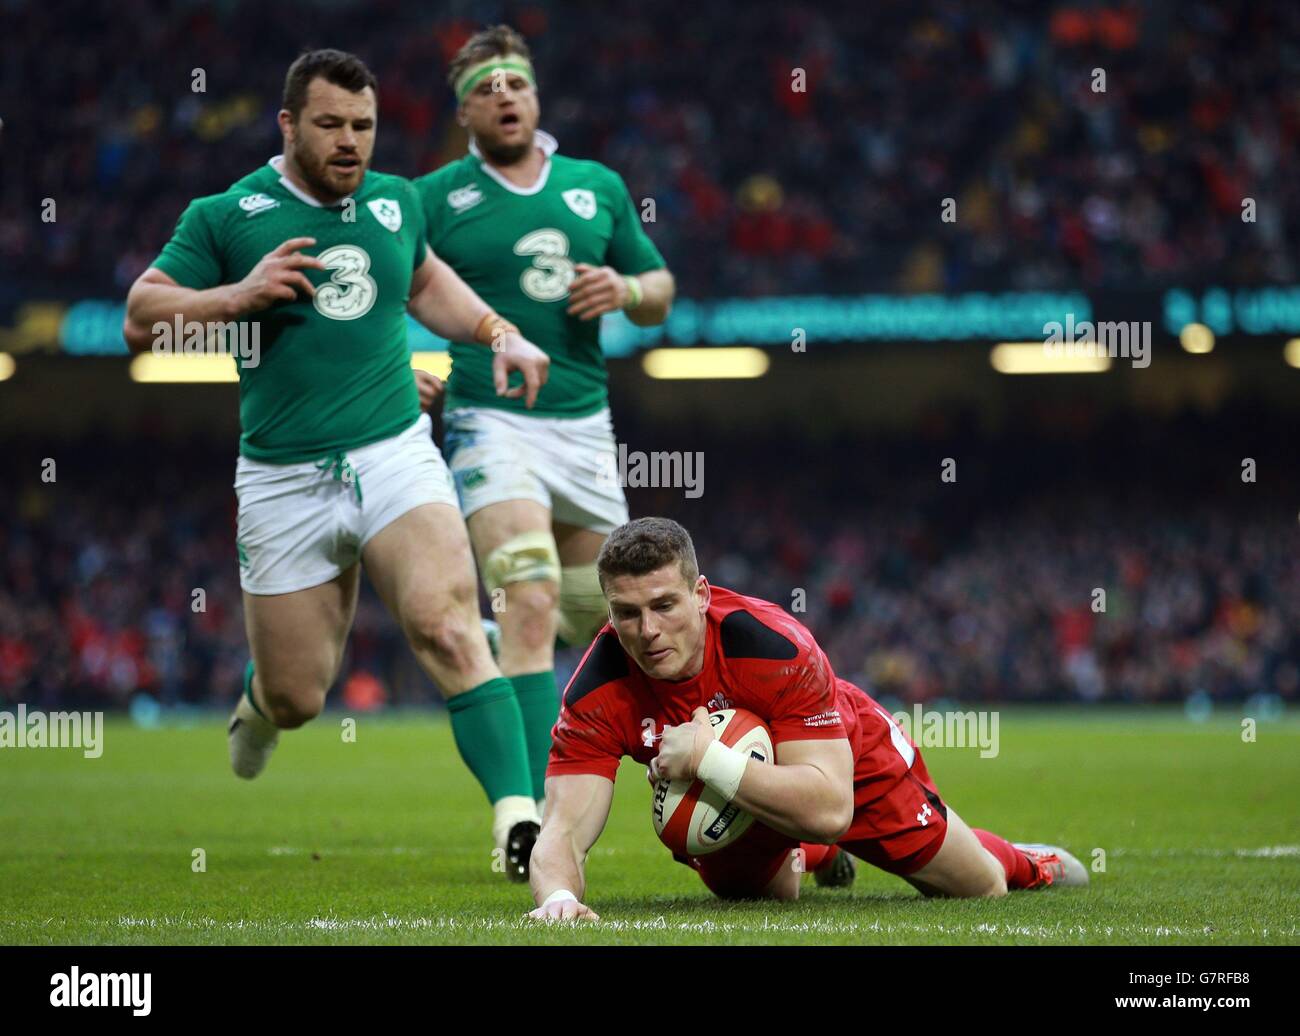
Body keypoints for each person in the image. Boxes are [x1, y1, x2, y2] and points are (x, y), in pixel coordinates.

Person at [123, 48, 551, 879]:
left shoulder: (394, 203)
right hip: (284, 478)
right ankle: (261, 706)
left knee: (451, 626)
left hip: (395, 454)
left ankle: (519, 822)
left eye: (364, 126)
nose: (350, 142)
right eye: (330, 125)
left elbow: (425, 284)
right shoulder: (227, 214)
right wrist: (235, 298)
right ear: (288, 125)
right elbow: (143, 320)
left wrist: (498, 331)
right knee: (300, 694)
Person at [527, 517, 1088, 920]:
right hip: (735, 788)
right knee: (764, 903)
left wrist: (704, 756)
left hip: (842, 759)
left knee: (979, 888)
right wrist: (558, 900)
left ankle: (1027, 862)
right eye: (627, 613)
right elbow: (564, 831)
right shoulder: (597, 688)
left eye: (664, 605)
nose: (646, 631)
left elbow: (831, 807)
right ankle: (811, 858)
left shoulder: (775, 647)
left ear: (700, 595)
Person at [412, 25, 675, 816]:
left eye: (515, 84)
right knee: (527, 595)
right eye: (486, 89)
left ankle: (509, 657)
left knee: (613, 618)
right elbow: (380, 293)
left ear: (535, 96)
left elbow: (660, 285)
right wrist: (404, 370)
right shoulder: (431, 200)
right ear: (464, 111)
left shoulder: (597, 186)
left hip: (584, 424)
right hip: (489, 419)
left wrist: (626, 293)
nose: (504, 98)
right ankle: (528, 820)